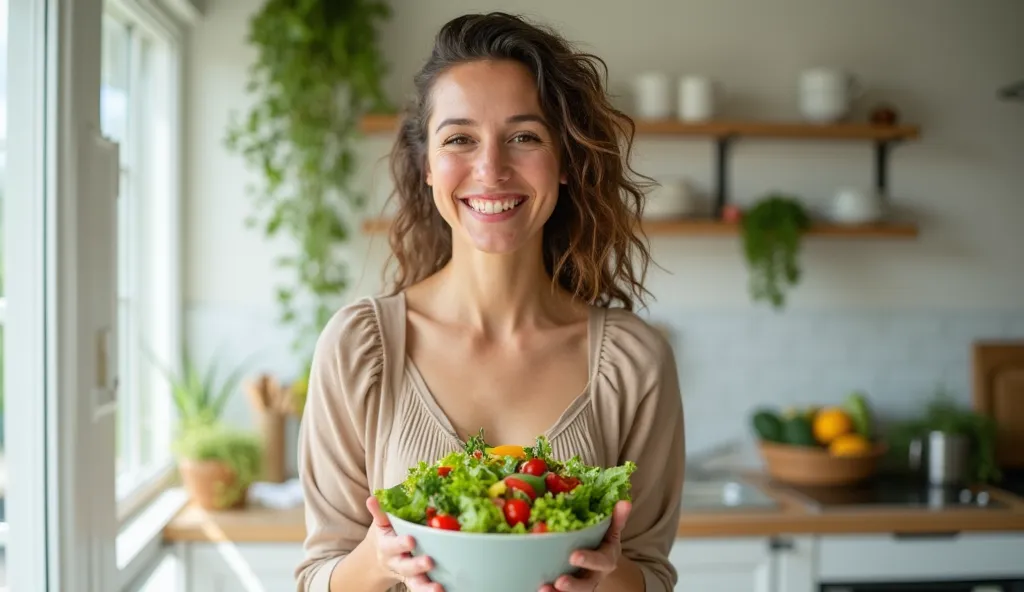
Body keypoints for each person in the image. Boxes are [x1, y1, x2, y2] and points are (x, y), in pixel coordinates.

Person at [294, 11, 686, 592]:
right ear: (428, 166)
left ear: (567, 160)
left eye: (524, 137)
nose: (491, 169)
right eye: (459, 139)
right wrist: (378, 562)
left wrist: (604, 578)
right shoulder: (360, 346)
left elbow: (651, 577)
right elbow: (316, 577)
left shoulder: (633, 361)